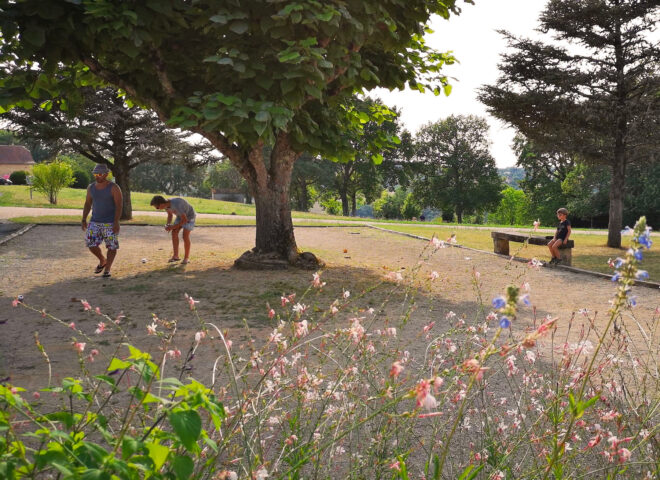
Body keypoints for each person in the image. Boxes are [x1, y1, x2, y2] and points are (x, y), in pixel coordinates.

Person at [81, 163, 123, 278]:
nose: (97, 176)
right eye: (95, 174)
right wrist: (84, 219)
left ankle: (107, 269)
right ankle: (102, 260)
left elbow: (119, 205)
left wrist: (116, 222)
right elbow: (88, 203)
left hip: (110, 222)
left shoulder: (114, 187)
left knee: (112, 246)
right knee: (91, 243)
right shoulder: (91, 188)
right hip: (94, 221)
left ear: (106, 174)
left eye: (99, 174)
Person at [150, 195, 196, 264]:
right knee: (174, 232)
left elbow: (185, 220)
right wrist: (168, 224)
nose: (157, 209)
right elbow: (170, 215)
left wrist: (172, 226)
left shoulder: (177, 204)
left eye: (157, 207)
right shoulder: (166, 206)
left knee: (185, 236)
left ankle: (186, 258)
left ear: (161, 204)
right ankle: (175, 256)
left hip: (189, 217)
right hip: (180, 216)